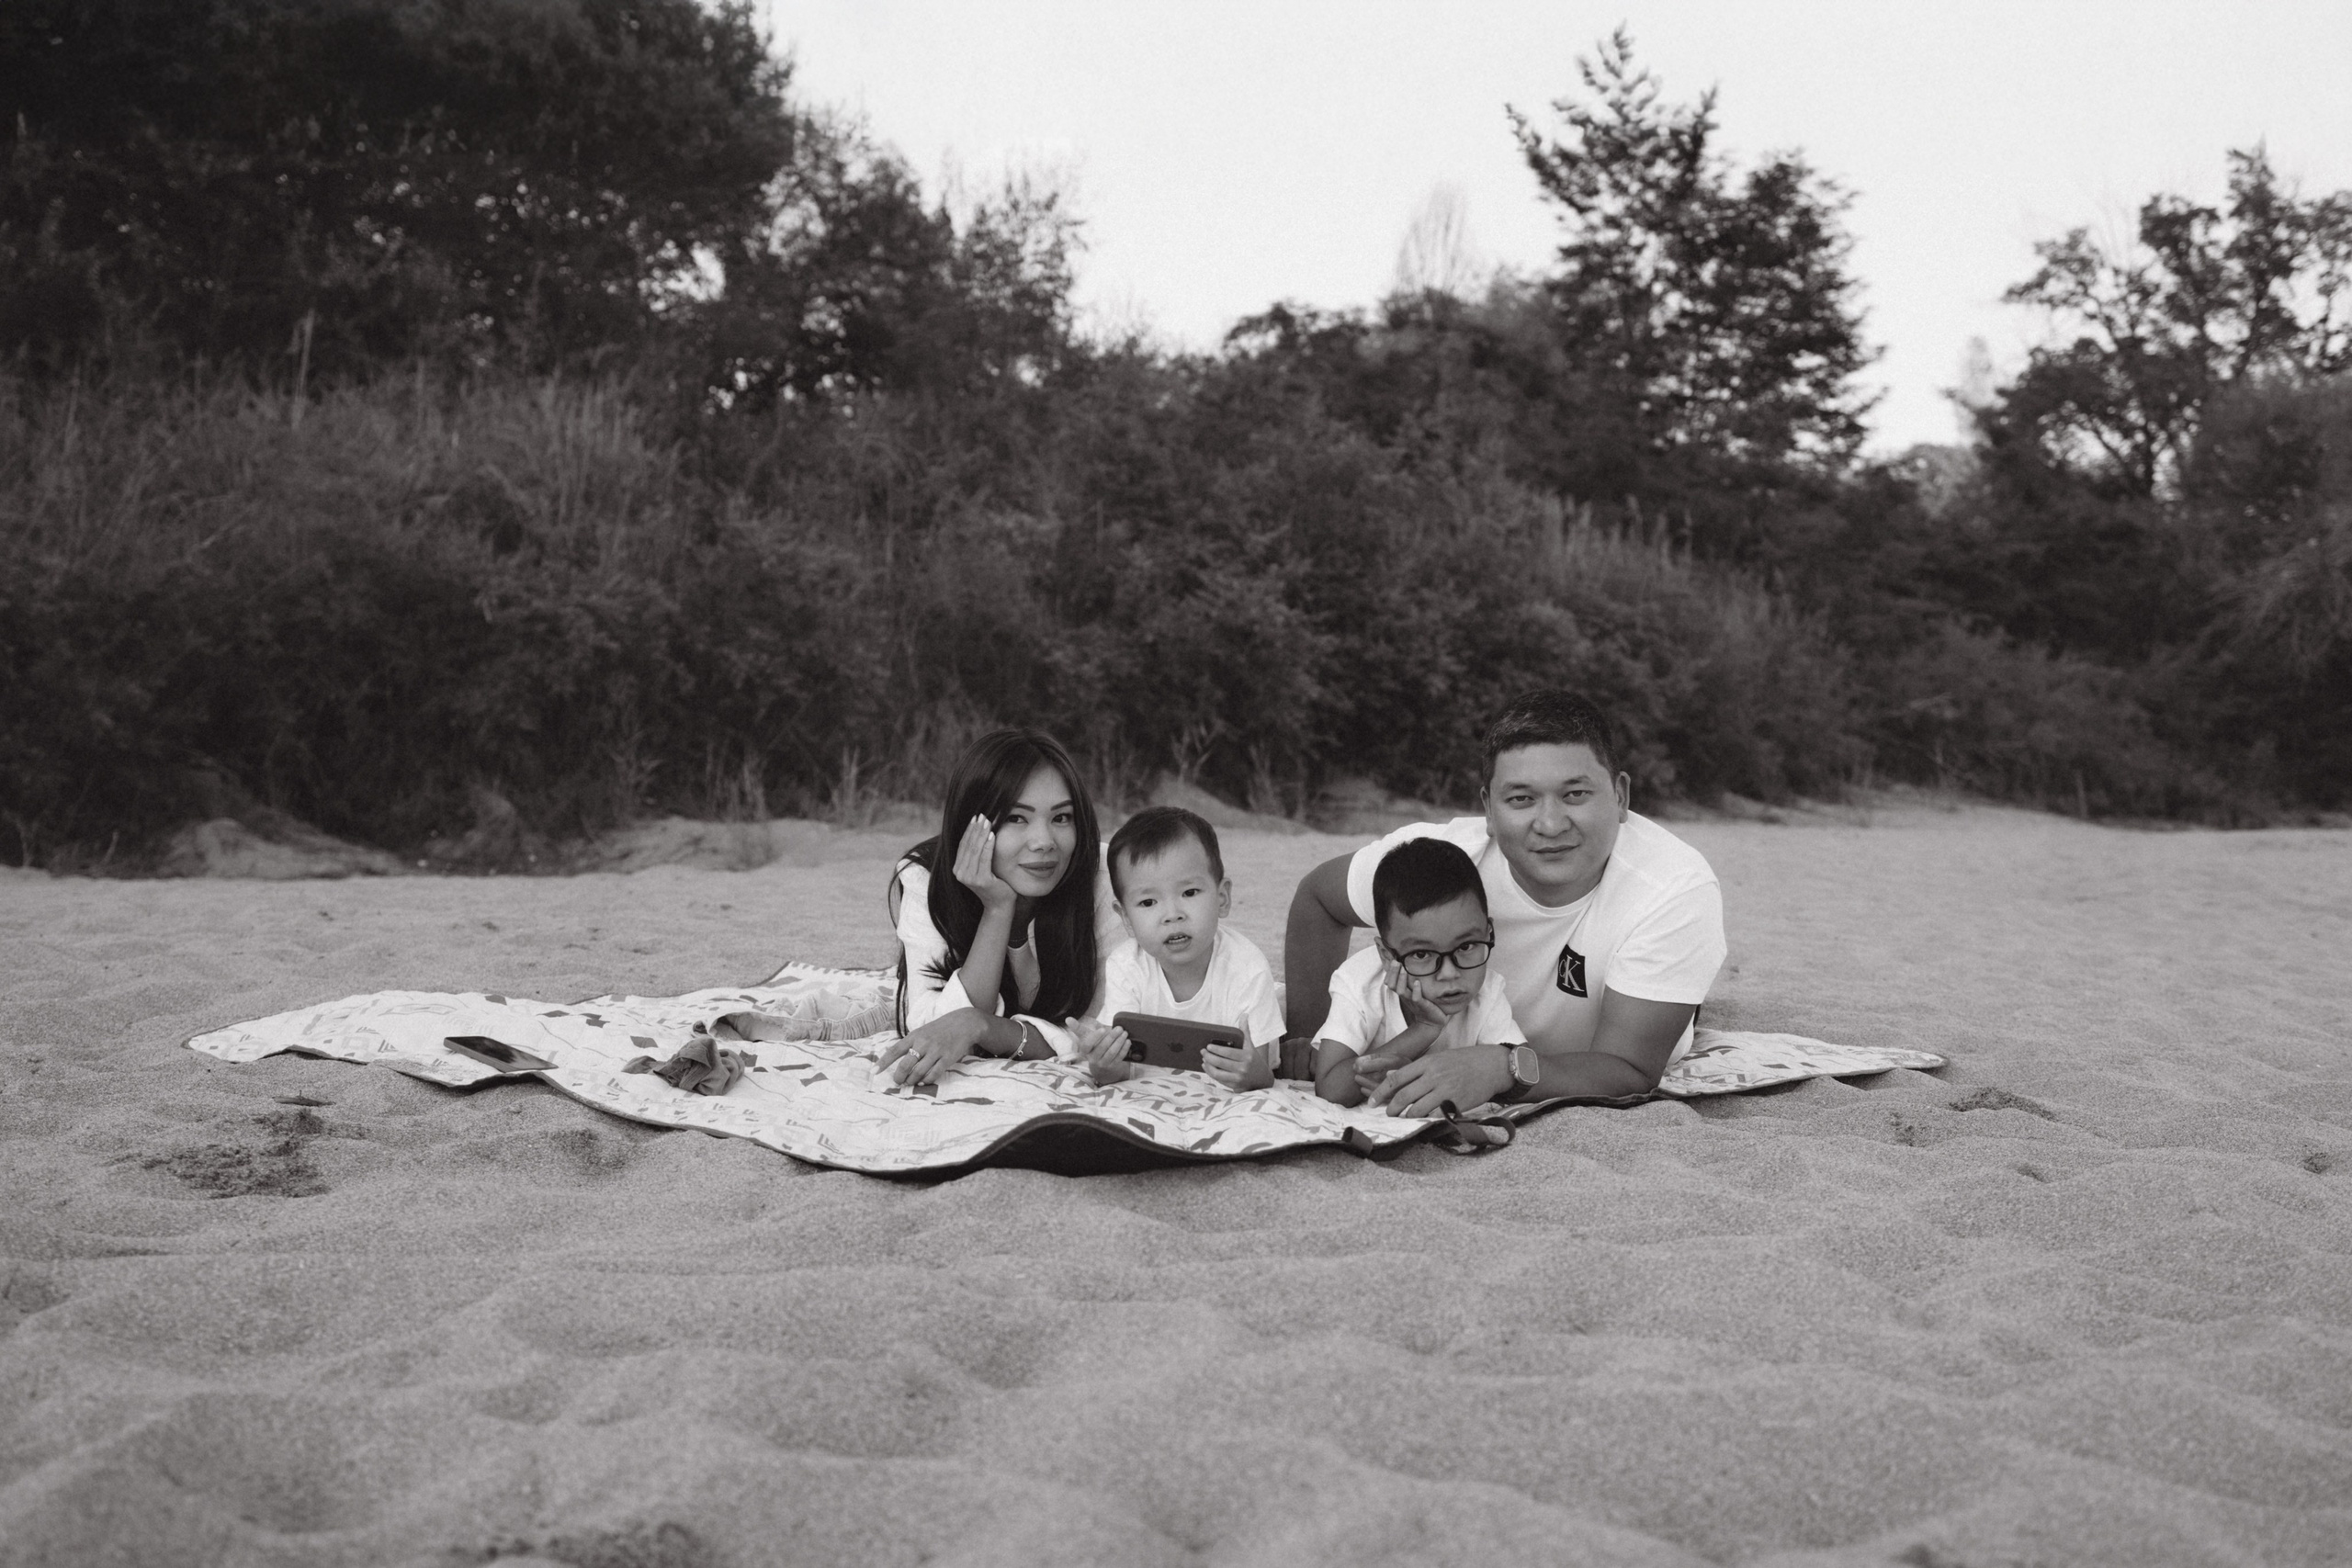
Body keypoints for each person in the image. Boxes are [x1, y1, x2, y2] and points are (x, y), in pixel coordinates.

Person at [1285, 690, 1725, 1119]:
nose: (1551, 824)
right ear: (1489, 811)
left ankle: (1680, 993)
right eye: (1521, 799)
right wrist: (1313, 1044)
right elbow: (1317, 899)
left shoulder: (1673, 887)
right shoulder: (1438, 862)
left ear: (1621, 796)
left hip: (1585, 1055)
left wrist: (1502, 1068)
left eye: (1575, 794)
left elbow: (1630, 1070)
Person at [877, 728, 1130, 1087]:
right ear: (971, 822)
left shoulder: (1104, 877)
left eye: (1061, 818)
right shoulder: (926, 877)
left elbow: (1100, 1033)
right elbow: (933, 1031)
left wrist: (979, 1025)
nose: (1044, 842)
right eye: (1015, 818)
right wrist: (997, 910)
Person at [1312, 837, 1528, 1109]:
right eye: (1422, 955)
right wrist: (1423, 1030)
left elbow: (1521, 1067)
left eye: (1467, 946)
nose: (1449, 973)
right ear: (1386, 955)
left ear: (1488, 933)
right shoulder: (1360, 983)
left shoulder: (1486, 993)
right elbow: (1330, 1088)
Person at [1091, 806, 1284, 1091]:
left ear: (1222, 898)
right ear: (1126, 919)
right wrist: (1102, 1063)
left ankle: (1282, 1004)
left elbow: (1263, 1076)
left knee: (1281, 1013)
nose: (1172, 914)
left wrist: (1252, 1073)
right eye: (1148, 902)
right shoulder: (1126, 965)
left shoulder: (1247, 967)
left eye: (1189, 893)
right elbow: (1114, 1073)